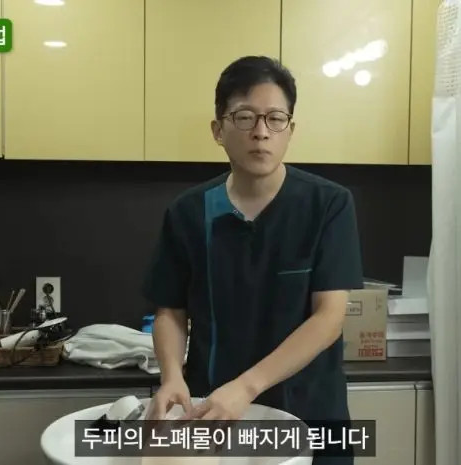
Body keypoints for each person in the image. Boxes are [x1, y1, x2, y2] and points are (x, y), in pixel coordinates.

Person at [142, 55, 363, 463]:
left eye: (275, 118)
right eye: (244, 117)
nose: (261, 132)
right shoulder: (188, 212)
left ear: (290, 130)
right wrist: (172, 376)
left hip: (311, 412)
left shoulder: (328, 205)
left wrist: (246, 387)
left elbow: (329, 317)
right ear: (218, 130)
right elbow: (170, 310)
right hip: (216, 414)